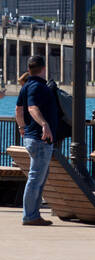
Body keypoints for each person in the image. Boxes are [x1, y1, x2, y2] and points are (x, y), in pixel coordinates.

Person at [15, 54, 59, 227]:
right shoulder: (39, 87)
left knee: (38, 177)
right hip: (40, 140)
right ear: (43, 69)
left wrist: (22, 128)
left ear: (29, 69)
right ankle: (30, 215)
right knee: (35, 178)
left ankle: (33, 214)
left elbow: (19, 110)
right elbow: (32, 108)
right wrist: (44, 124)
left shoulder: (25, 86)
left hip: (31, 138)